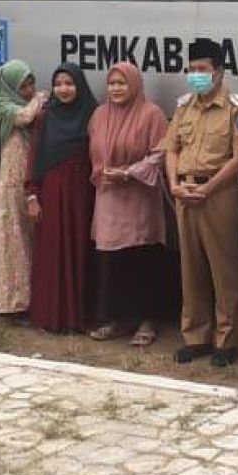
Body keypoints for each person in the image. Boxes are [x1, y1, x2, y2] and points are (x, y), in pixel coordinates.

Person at [163, 37, 238, 367]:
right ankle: (196, 336)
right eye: (192, 69)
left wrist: (209, 187)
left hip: (219, 195)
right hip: (185, 194)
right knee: (191, 269)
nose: (196, 75)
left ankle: (227, 340)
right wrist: (174, 184)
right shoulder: (184, 105)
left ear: (219, 72)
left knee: (224, 269)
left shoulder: (237, 107)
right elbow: (171, 148)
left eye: (202, 69)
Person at [88, 61, 169, 347]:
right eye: (112, 83)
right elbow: (93, 150)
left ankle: (147, 320)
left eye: (122, 83)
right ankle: (117, 318)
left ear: (134, 84)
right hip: (109, 196)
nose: (116, 89)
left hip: (139, 197)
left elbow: (161, 154)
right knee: (112, 261)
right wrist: (107, 172)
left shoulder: (152, 114)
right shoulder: (99, 114)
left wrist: (129, 172)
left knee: (141, 259)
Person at [26, 63, 98, 333]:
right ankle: (52, 317)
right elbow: (34, 157)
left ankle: (79, 317)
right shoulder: (46, 117)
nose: (64, 89)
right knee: (53, 252)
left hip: (83, 195)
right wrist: (31, 195)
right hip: (52, 194)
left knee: (81, 251)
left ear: (79, 86)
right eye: (58, 84)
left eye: (70, 83)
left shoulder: (93, 114)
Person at [0, 59, 48, 319]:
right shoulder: (1, 103)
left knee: (34, 237)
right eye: (22, 85)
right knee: (15, 240)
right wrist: (39, 98)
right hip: (12, 182)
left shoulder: (31, 104)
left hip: (32, 179)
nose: (28, 90)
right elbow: (25, 118)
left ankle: (37, 298)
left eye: (31, 84)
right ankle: (14, 301)